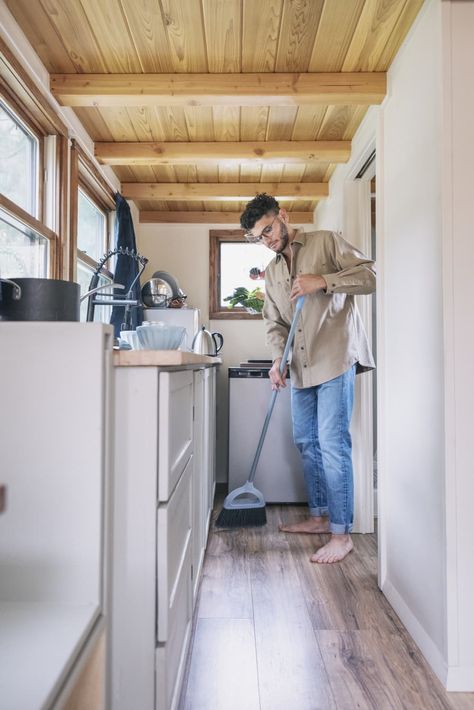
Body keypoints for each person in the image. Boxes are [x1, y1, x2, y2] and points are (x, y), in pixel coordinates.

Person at [240, 193, 376, 564]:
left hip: (334, 358)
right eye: (259, 237)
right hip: (299, 368)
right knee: (306, 442)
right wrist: (276, 362)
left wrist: (324, 281)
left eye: (268, 229)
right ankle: (318, 517)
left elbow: (370, 276)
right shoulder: (273, 274)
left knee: (332, 444)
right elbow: (275, 324)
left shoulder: (326, 241)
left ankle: (341, 533)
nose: (267, 240)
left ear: (283, 216)